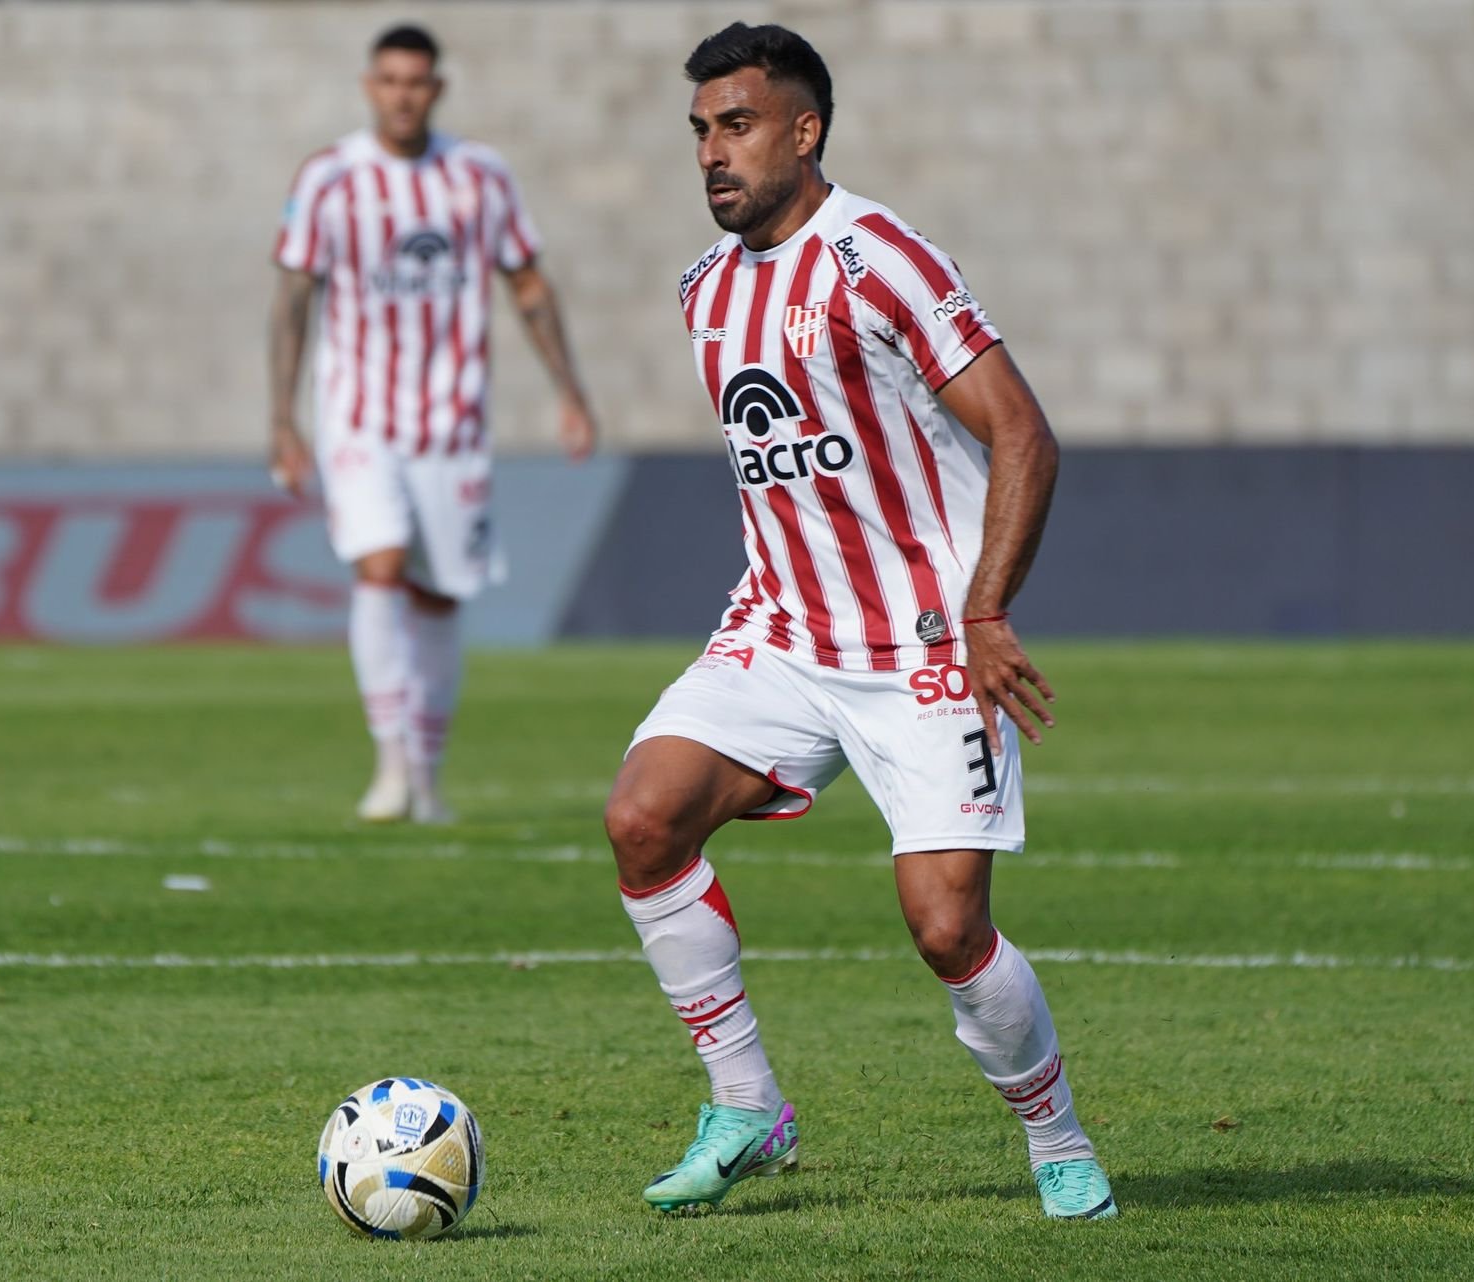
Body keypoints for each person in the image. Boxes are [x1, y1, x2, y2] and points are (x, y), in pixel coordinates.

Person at [604, 23, 1115, 1219]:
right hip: (782, 633)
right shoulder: (704, 289)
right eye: (700, 131)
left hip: (924, 646)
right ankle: (747, 1105)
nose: (712, 152)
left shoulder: (879, 260)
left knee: (946, 928)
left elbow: (1022, 432)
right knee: (643, 819)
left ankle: (1055, 1136)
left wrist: (983, 608)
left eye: (736, 126)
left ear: (804, 130)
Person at [268, 24, 596, 824]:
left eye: (416, 82)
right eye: (389, 81)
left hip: (452, 423)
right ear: (369, 86)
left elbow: (527, 285)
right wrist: (282, 418)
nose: (403, 96)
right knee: (380, 565)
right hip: (359, 416)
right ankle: (389, 765)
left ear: (437, 89)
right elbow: (293, 299)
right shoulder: (330, 177)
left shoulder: (479, 175)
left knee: (443, 595)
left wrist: (570, 392)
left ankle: (426, 771)